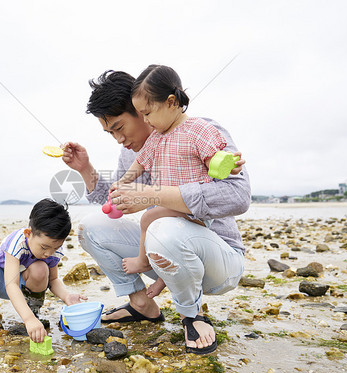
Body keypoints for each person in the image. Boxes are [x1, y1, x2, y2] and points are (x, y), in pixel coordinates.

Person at [62, 70, 250, 354]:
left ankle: (192, 316)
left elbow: (238, 195)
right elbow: (113, 201)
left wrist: (153, 195)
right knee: (91, 227)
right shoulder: (132, 153)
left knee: (162, 228)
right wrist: (85, 169)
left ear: (142, 110)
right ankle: (142, 305)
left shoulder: (199, 131)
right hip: (170, 252)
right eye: (109, 132)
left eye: (119, 127)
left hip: (217, 257)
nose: (118, 139)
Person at [111, 65, 243, 298]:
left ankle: (144, 262)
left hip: (196, 213)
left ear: (171, 102)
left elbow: (214, 158)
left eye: (148, 113)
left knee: (149, 217)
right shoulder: (157, 138)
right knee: (157, 227)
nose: (146, 121)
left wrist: (228, 166)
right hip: (172, 210)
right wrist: (123, 182)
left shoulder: (198, 130)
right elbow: (140, 162)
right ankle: (165, 278)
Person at [0, 198, 87, 343]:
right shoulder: (16, 243)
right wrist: (28, 320)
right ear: (28, 233)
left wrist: (66, 296)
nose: (48, 253)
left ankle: (33, 311)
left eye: (55, 248)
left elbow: (52, 280)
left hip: (27, 287)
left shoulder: (52, 250)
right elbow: (11, 284)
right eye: (44, 247)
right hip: (2, 283)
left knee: (40, 268)